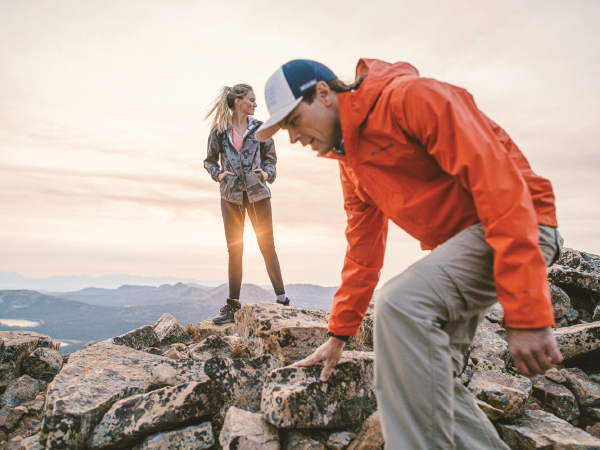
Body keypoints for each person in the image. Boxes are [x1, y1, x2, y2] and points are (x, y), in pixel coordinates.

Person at [255, 59, 562, 449]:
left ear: (323, 93)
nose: (293, 138)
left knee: (398, 305)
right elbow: (362, 252)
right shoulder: (350, 163)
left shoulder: (409, 100)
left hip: (521, 226)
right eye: (285, 129)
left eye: (294, 121)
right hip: (474, 242)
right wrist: (338, 334)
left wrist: (527, 314)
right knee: (423, 378)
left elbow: (498, 184)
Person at [204, 84, 290, 325]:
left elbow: (271, 159)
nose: (255, 104)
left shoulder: (261, 128)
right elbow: (209, 161)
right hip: (231, 197)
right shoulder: (220, 131)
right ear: (238, 101)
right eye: (251, 100)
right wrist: (219, 175)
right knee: (235, 250)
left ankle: (282, 300)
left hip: (257, 195)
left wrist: (265, 174)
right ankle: (232, 306)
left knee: (267, 245)